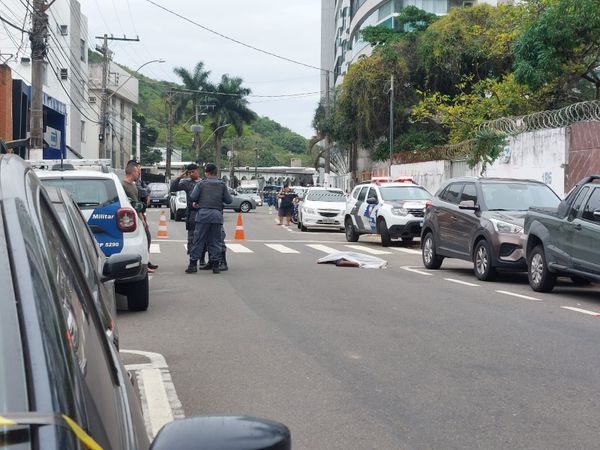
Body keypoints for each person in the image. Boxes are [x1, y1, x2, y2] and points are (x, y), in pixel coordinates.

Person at [186, 163, 232, 274]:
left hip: (203, 215)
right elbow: (229, 200)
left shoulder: (201, 184)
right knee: (215, 240)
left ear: (207, 173)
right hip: (216, 215)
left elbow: (193, 197)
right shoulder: (222, 184)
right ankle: (216, 266)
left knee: (198, 240)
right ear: (216, 172)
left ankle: (193, 265)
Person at [123, 161, 158, 272]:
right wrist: (141, 219)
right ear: (132, 172)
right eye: (138, 172)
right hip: (130, 219)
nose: (139, 174)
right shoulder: (123, 185)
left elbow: (137, 203)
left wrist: (143, 218)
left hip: (139, 217)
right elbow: (134, 204)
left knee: (146, 238)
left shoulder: (133, 186)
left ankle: (145, 263)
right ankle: (143, 265)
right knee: (140, 241)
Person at [170, 164, 205, 265]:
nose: (191, 174)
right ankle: (192, 259)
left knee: (203, 236)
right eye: (189, 172)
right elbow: (173, 188)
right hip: (192, 213)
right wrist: (180, 176)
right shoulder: (186, 183)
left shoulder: (204, 182)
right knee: (191, 237)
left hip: (202, 212)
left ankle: (202, 258)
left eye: (193, 172)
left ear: (198, 171)